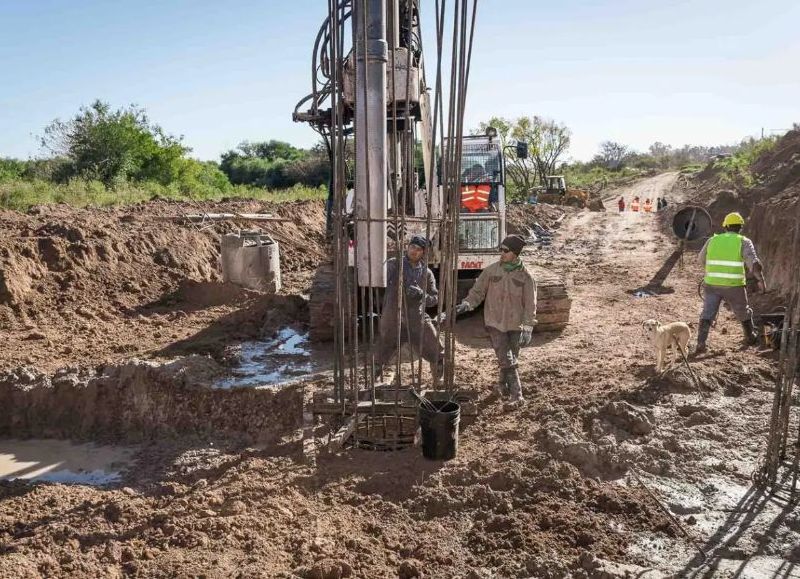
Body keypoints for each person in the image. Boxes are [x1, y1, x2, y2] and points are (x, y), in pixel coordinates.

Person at [455, 234, 537, 405]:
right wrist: (467, 304)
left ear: (515, 253)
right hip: (494, 323)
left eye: (505, 250)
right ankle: (517, 395)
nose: (501, 253)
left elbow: (530, 303)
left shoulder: (526, 276)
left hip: (516, 325)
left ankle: (501, 386)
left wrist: (528, 326)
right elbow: (477, 292)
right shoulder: (491, 271)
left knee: (509, 358)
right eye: (501, 249)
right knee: (507, 358)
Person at [694, 212, 767, 354]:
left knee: (708, 312)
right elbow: (754, 263)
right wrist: (761, 281)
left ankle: (701, 343)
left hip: (712, 284)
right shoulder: (744, 241)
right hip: (734, 285)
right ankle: (750, 337)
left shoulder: (712, 240)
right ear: (740, 227)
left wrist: (711, 271)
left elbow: (701, 259)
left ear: (725, 226)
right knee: (742, 310)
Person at [376, 235, 444, 383]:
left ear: (424, 253)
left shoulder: (427, 273)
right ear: (407, 247)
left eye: (419, 249)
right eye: (412, 247)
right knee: (382, 353)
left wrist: (422, 295)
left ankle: (439, 381)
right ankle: (374, 382)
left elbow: (434, 299)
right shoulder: (394, 264)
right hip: (393, 317)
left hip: (416, 318)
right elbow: (378, 279)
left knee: (436, 348)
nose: (414, 251)